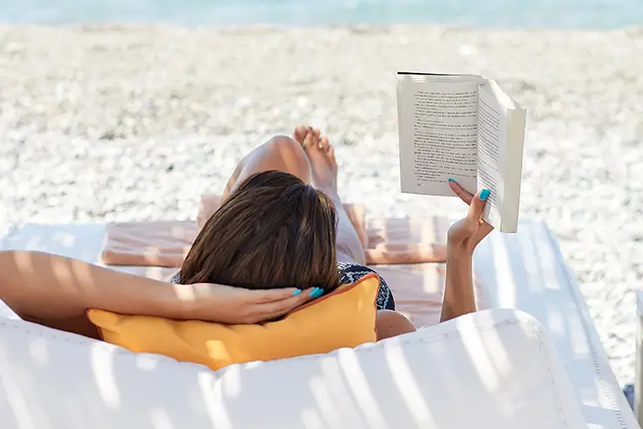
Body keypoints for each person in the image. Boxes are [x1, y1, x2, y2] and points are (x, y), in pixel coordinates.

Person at [0, 127, 493, 342]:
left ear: (206, 251)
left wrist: (190, 303)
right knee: (335, 234)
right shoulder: (373, 327)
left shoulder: (140, 328)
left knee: (280, 152)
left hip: (228, 288)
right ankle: (327, 195)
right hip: (318, 293)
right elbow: (452, 349)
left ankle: (307, 197)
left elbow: (12, 274)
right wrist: (459, 249)